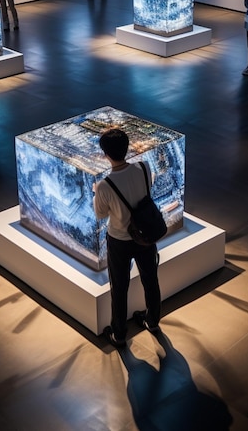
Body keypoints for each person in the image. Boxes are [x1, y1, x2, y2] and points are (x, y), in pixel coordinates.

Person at [93, 128, 161, 348]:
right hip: (145, 235)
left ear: (105, 154)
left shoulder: (104, 186)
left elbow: (101, 214)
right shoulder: (143, 167)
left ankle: (119, 333)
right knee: (150, 279)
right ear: (128, 147)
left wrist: (97, 193)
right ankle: (152, 321)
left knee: (119, 288)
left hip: (119, 241)